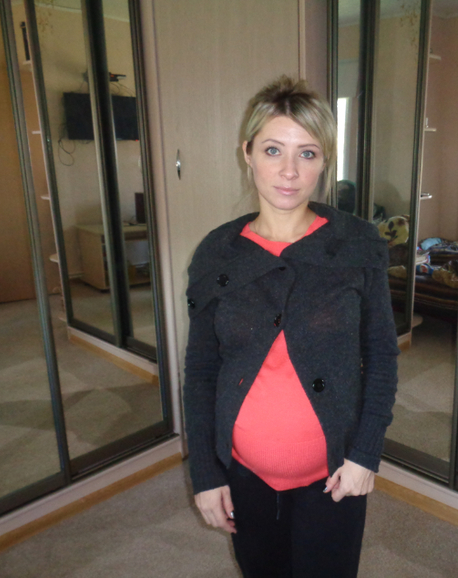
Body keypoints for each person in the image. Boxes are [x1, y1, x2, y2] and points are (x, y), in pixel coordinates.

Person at [183, 77, 399, 577]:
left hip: (335, 475)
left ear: (324, 162)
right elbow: (201, 371)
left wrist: (366, 454)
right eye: (273, 150)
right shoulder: (217, 252)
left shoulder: (357, 244)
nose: (288, 171)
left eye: (307, 154)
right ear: (247, 153)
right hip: (244, 475)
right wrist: (205, 473)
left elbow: (382, 355)